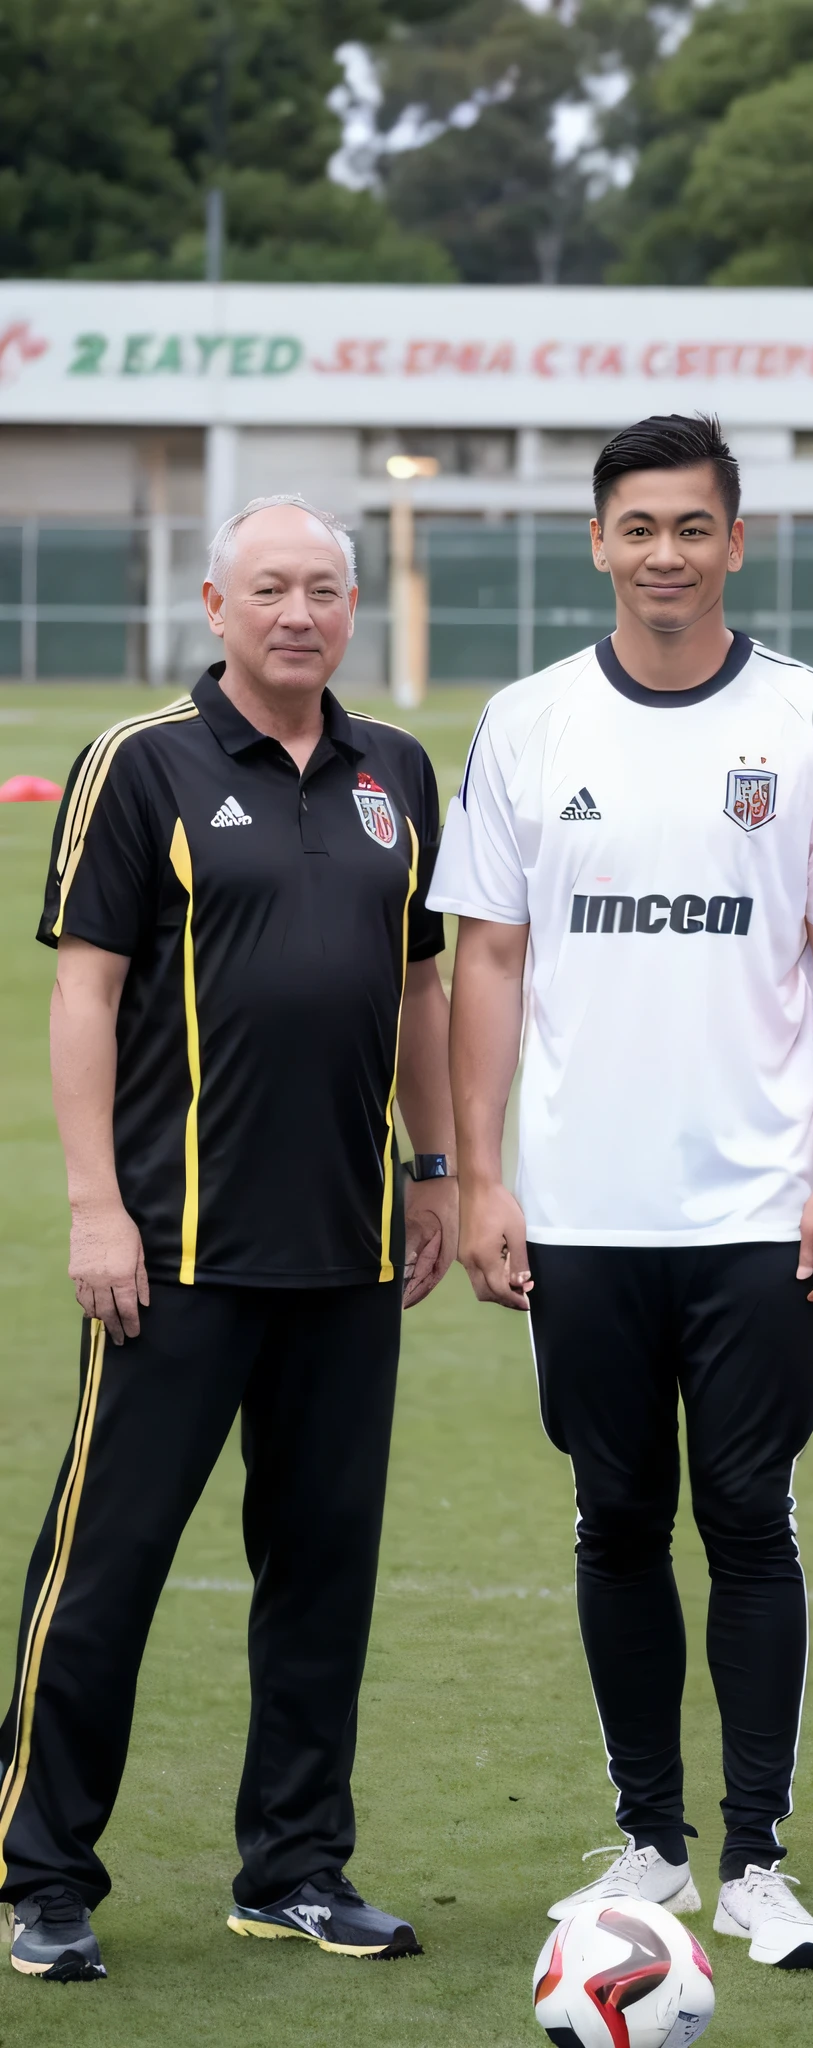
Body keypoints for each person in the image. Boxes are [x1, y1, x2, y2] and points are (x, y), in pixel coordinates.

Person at [431, 413, 813, 1973]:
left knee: (750, 1518)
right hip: (577, 1213)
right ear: (598, 544)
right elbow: (482, 956)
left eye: (694, 528)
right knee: (615, 1519)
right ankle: (650, 1839)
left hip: (759, 1210)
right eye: (639, 529)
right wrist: (482, 1172)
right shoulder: (529, 722)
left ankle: (757, 1858)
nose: (667, 557)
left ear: (736, 543)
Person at [0, 495, 459, 1982]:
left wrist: (438, 1171)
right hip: (176, 1255)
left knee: (323, 1575)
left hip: (349, 1254)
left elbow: (425, 990)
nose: (302, 614)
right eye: (271, 588)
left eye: (326, 589)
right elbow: (84, 994)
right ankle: (41, 1876)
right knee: (106, 1565)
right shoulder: (142, 765)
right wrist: (94, 1208)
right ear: (215, 604)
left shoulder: (401, 771)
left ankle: (296, 1869)